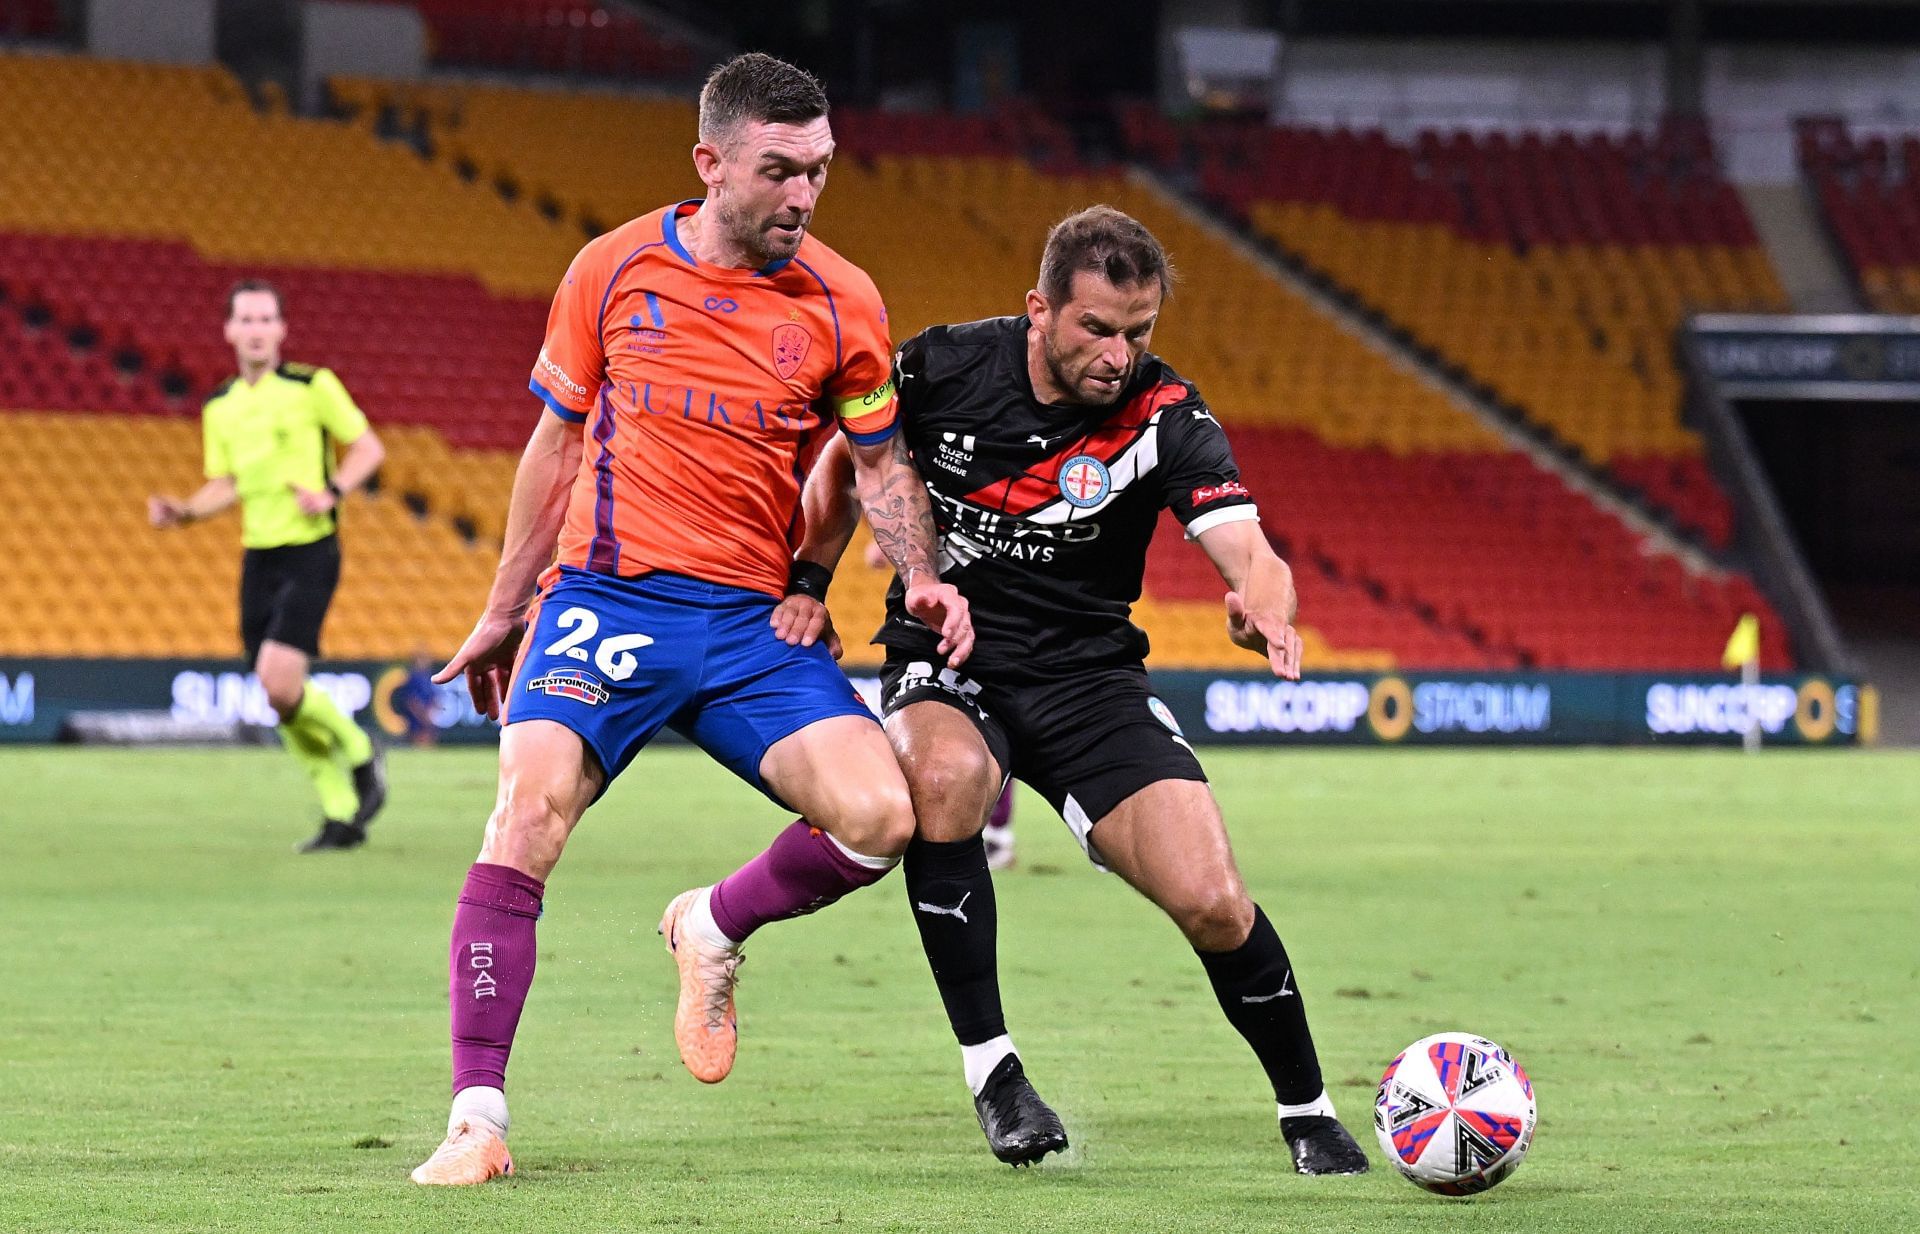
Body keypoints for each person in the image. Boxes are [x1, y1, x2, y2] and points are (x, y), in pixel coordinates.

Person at [408, 53, 971, 1186]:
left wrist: (920, 572)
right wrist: (505, 609)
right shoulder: (612, 267)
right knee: (524, 815)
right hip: (607, 600)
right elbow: (555, 447)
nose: (804, 196)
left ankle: (711, 924)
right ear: (710, 163)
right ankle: (477, 1119)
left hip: (751, 625)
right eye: (779, 171)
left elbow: (877, 463)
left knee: (881, 819)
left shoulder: (844, 299)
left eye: (819, 171)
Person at [778, 206, 1370, 1175]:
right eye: (1096, 328)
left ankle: (1308, 1111)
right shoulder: (943, 366)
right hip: (950, 653)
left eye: (1138, 331)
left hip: (1090, 678)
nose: (1117, 355)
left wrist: (1264, 609)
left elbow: (1251, 550)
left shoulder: (1166, 414)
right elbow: (853, 459)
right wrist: (809, 577)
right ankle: (995, 1073)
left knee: (1216, 901)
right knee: (944, 779)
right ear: (1039, 309)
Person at [149, 280, 388, 852]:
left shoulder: (312, 386)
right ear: (229, 331)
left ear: (281, 329)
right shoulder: (220, 406)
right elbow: (226, 483)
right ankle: (339, 814)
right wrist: (185, 512)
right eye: (246, 320)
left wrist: (332, 491)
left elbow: (368, 448)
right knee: (279, 696)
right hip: (258, 555)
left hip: (310, 550)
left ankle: (360, 751)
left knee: (278, 682)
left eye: (265, 319)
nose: (255, 330)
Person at [863, 539, 1016, 869]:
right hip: (951, 627)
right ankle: (993, 833)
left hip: (980, 627)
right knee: (970, 739)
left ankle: (994, 833)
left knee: (988, 730)